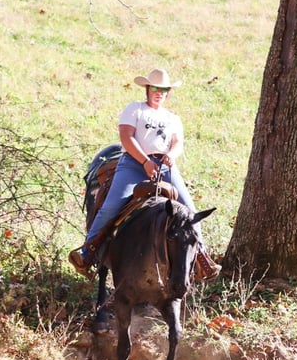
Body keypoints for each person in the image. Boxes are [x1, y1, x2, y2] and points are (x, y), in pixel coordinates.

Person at [68, 67, 221, 281]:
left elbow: (178, 143)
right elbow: (127, 137)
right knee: (111, 206)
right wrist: (145, 161)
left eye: (164, 89)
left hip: (165, 166)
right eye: (155, 88)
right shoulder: (135, 110)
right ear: (148, 89)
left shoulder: (172, 118)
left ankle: (202, 258)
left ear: (168, 92)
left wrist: (171, 155)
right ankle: (87, 253)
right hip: (134, 163)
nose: (159, 92)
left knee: (190, 210)